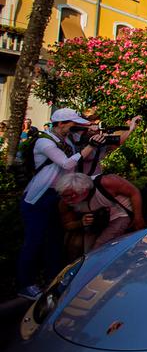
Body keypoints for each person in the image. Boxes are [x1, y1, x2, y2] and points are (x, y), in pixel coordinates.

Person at [17, 108, 105, 300]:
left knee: (54, 241)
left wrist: (90, 132)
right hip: (38, 198)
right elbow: (67, 164)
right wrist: (89, 146)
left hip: (57, 196)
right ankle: (24, 284)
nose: (74, 127)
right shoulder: (44, 142)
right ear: (60, 124)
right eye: (72, 124)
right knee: (34, 241)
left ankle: (54, 280)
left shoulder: (65, 140)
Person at [56, 172, 144, 253]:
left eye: (70, 196)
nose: (67, 200)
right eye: (64, 196)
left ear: (84, 190)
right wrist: (81, 222)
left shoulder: (106, 182)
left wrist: (138, 217)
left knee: (99, 247)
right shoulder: (64, 202)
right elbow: (67, 225)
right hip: (97, 222)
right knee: (85, 249)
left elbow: (134, 192)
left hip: (120, 214)